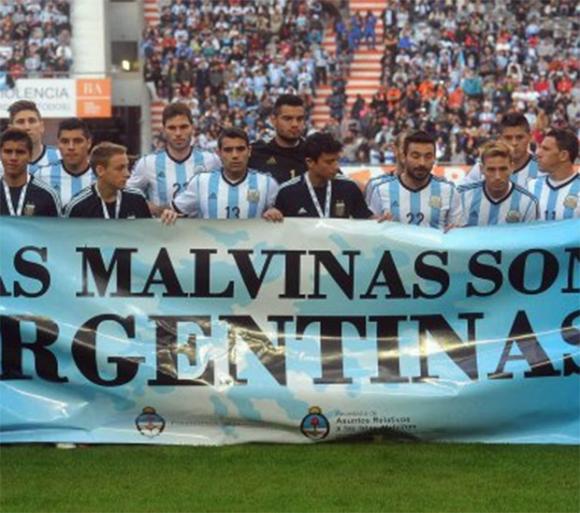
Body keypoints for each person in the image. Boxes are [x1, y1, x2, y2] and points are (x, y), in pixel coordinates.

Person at [127, 102, 220, 215]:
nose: (178, 133)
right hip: (163, 226)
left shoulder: (212, 160)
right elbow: (127, 195)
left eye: (183, 127)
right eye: (172, 128)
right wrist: (155, 210)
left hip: (201, 226)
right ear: (164, 130)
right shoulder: (148, 163)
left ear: (192, 127)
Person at [170, 127, 280, 220]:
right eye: (228, 150)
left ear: (249, 151)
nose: (235, 155)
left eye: (240, 149)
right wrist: (170, 214)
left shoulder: (267, 184)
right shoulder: (201, 182)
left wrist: (275, 213)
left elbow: (283, 221)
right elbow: (175, 211)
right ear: (219, 153)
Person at [368, 130, 462, 230]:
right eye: (415, 156)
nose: (422, 163)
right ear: (404, 157)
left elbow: (456, 233)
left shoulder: (449, 191)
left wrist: (455, 231)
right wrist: (379, 226)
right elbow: (372, 230)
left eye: (428, 157)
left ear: (434, 158)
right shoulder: (381, 190)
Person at [274, 132, 372, 218]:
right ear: (310, 162)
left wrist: (379, 220)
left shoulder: (349, 187)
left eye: (337, 160)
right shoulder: (287, 192)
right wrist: (272, 215)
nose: (336, 167)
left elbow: (367, 220)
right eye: (329, 162)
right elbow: (275, 225)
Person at [458, 141, 538, 226]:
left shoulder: (528, 202)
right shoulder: (462, 196)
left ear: (512, 168)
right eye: (491, 169)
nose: (497, 176)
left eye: (503, 169)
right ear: (481, 169)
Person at [65, 142, 151, 219]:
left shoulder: (137, 199)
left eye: (127, 167)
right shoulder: (78, 205)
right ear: (100, 171)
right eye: (120, 168)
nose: (127, 174)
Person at [462, 112, 542, 188]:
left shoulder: (541, 168)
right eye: (508, 138)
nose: (514, 143)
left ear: (529, 137)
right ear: (500, 139)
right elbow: (461, 191)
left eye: (519, 137)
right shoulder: (484, 166)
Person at [0, 128, 61, 217]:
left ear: (30, 156)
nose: (13, 158)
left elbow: (56, 226)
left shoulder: (47, 195)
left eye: (20, 152)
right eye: (8, 152)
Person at [248, 94, 308, 184]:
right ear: (273, 120)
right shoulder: (255, 152)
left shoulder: (313, 153)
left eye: (299, 119)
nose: (295, 124)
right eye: (287, 119)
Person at [35, 118, 95, 207]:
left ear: (89, 143)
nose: (71, 147)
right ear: (58, 144)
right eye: (65, 141)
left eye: (77, 141)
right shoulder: (42, 175)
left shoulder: (101, 176)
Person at [529, 128, 579, 220]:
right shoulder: (531, 186)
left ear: (563, 155)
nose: (538, 153)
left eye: (545, 149)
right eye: (540, 147)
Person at [0, 100, 60, 175]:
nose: (27, 127)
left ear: (42, 126)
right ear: (11, 129)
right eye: (20, 122)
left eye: (32, 121)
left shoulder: (60, 159)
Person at [364, 130, 407, 203]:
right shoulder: (376, 185)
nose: (410, 153)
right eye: (405, 148)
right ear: (395, 149)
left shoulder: (430, 186)